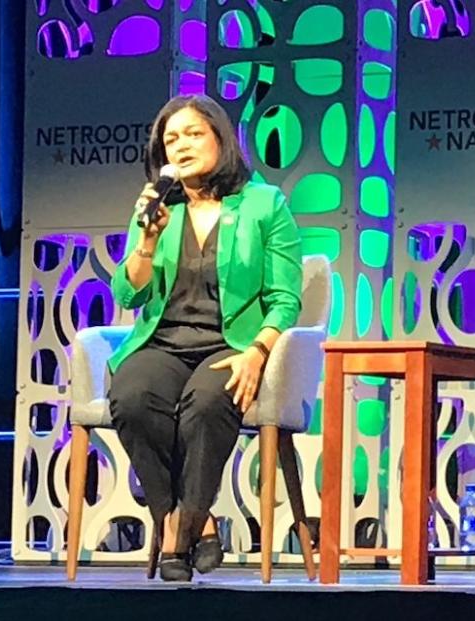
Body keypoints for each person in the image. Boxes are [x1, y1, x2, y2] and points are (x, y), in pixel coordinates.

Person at [107, 94, 302, 582]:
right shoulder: (156, 204)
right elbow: (128, 295)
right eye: (170, 138)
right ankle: (188, 519)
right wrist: (148, 239)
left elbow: (285, 297)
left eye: (193, 133)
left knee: (208, 405)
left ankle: (181, 527)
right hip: (163, 342)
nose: (181, 145)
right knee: (131, 397)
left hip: (230, 344)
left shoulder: (263, 203)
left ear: (221, 138)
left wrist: (258, 352)